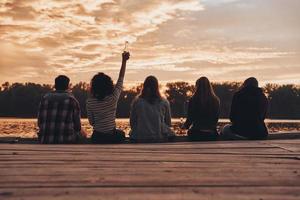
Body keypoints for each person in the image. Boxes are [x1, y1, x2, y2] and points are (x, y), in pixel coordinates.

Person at [86, 52, 130, 144]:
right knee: (121, 134)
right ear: (109, 85)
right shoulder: (113, 98)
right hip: (111, 136)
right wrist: (124, 61)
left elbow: (91, 122)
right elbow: (121, 78)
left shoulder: (90, 102)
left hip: (97, 137)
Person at [37, 75, 86, 144]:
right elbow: (77, 127)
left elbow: (39, 123)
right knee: (83, 133)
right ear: (67, 86)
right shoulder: (72, 100)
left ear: (55, 86)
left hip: (45, 140)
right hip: (67, 140)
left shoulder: (44, 100)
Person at [130, 76, 175, 143]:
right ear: (157, 87)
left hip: (140, 138)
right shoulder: (164, 102)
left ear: (144, 86)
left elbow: (132, 123)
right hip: (159, 137)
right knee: (171, 133)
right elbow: (168, 123)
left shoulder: (137, 102)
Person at [181, 77, 220, 141]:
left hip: (196, 133)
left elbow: (190, 119)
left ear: (197, 87)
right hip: (211, 134)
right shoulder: (216, 100)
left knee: (191, 132)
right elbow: (216, 119)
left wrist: (184, 127)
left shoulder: (193, 100)